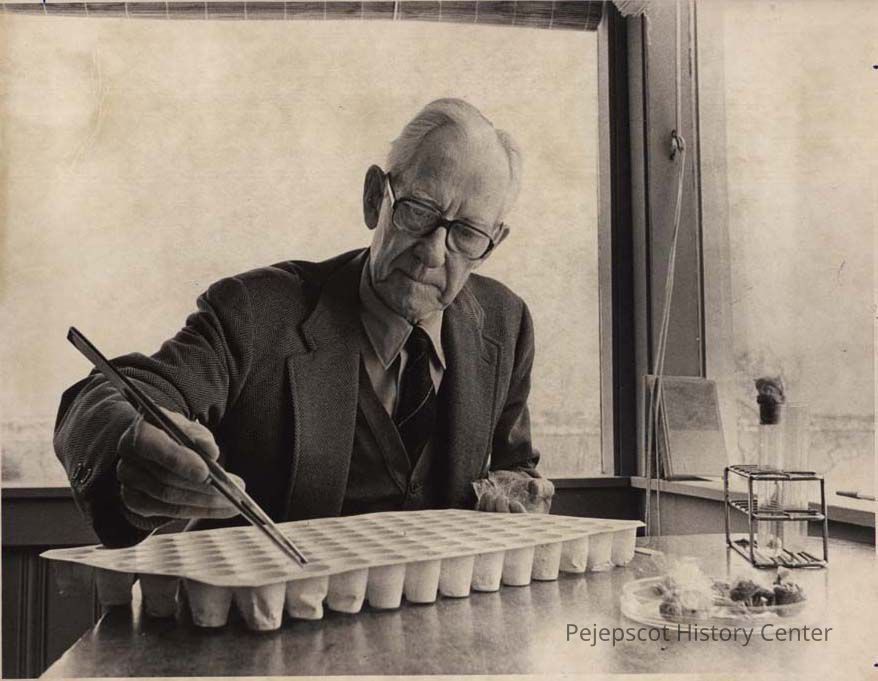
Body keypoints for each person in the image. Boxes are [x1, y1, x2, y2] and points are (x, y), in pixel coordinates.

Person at [54, 98, 555, 548]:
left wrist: (515, 495)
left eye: (466, 234)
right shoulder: (256, 312)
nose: (433, 253)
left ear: (493, 243)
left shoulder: (506, 324)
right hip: (264, 615)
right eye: (419, 211)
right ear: (374, 198)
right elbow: (107, 396)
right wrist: (132, 448)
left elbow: (515, 467)